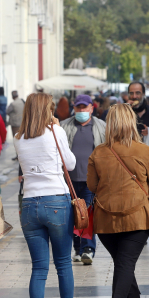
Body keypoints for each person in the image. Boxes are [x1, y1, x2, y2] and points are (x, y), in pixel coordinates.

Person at [87, 103, 149, 298]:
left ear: (109, 124)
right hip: (137, 219)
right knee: (125, 263)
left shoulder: (99, 152)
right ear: (131, 123)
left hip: (105, 221)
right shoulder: (144, 151)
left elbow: (92, 185)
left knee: (123, 263)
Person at [13, 92, 79, 298]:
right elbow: (70, 164)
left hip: (29, 203)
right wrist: (57, 129)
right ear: (47, 110)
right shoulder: (55, 132)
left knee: (38, 268)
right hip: (56, 202)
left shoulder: (19, 138)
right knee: (63, 263)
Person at [61, 94, 106, 265]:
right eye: (78, 107)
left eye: (84, 107)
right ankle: (78, 248)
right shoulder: (64, 126)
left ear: (91, 108)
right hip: (69, 180)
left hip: (91, 180)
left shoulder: (101, 127)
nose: (81, 110)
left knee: (86, 212)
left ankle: (88, 248)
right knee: (73, 214)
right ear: (74, 108)